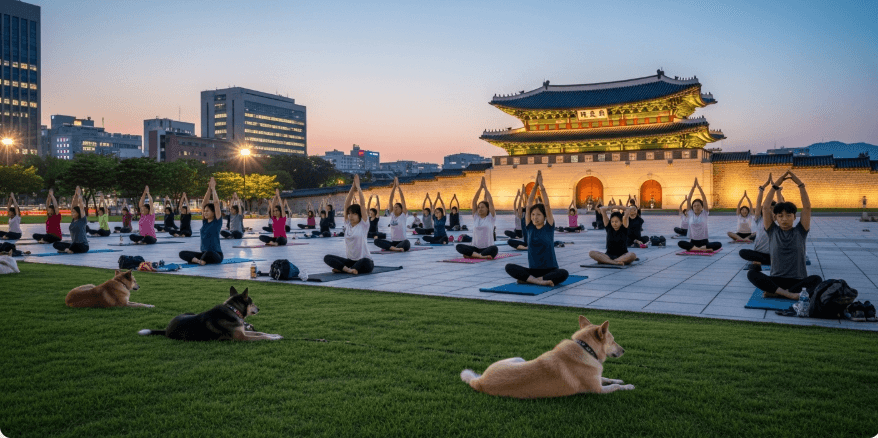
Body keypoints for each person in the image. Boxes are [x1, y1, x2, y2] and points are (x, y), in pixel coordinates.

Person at [747, 171, 822, 299]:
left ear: (794, 217)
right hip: (777, 280)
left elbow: (807, 208)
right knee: (752, 273)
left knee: (817, 279)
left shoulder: (801, 231)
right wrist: (775, 185)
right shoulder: (772, 231)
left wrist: (800, 184)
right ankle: (788, 294)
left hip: (797, 280)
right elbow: (765, 208)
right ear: (775, 217)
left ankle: (778, 293)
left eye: (788, 215)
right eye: (780, 216)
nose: (784, 219)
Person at [504, 171, 569, 286]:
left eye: (538, 215)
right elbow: (528, 205)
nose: (535, 217)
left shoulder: (549, 227)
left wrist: (541, 186)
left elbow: (547, 205)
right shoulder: (530, 227)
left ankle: (532, 280)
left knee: (563, 273)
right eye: (533, 215)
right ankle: (538, 281)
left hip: (551, 270)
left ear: (544, 216)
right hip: (533, 270)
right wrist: (535, 186)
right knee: (509, 267)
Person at [323, 175, 374, 275]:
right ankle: (348, 269)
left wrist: (358, 187)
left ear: (359, 215)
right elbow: (346, 205)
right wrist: (352, 187)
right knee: (327, 257)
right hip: (350, 261)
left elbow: (362, 205)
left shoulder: (363, 225)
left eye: (354, 214)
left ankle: (344, 269)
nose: (351, 216)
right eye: (349, 214)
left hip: (363, 261)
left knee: (366, 262)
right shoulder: (347, 224)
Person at [177, 178, 224, 265]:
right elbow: (204, 203)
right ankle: (199, 261)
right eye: (204, 211)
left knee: (209, 253)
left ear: (214, 212)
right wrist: (209, 188)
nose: (205, 213)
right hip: (204, 253)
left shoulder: (217, 222)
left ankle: (199, 260)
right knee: (182, 253)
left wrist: (213, 188)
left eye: (207, 211)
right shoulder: (205, 222)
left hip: (216, 254)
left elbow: (216, 203)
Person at [740, 174, 783, 266]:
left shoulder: (778, 221)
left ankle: (762, 261)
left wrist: (777, 190)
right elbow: (758, 203)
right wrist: (762, 189)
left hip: (773, 255)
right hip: (759, 253)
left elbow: (781, 205)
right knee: (742, 252)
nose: (770, 210)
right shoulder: (759, 219)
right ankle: (762, 261)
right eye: (768, 208)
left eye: (772, 208)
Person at [456, 177, 499, 259]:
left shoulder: (491, 217)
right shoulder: (476, 217)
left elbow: (490, 201)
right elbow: (474, 201)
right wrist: (480, 188)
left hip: (487, 248)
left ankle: (474, 255)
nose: (480, 209)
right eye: (479, 207)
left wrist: (485, 187)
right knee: (458, 246)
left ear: (487, 209)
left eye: (482, 207)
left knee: (494, 249)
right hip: (475, 248)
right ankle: (480, 256)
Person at [677, 178, 722, 252]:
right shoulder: (690, 214)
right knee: (680, 243)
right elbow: (689, 200)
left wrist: (699, 187)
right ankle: (701, 249)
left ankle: (697, 249)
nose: (696, 207)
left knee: (719, 244)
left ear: (702, 207)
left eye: (698, 205)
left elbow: (704, 199)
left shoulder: (704, 213)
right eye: (694, 206)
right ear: (692, 207)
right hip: (693, 242)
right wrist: (693, 187)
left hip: (704, 241)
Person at [374, 177, 412, 252]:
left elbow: (403, 200)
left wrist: (399, 187)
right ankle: (394, 248)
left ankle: (394, 248)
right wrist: (394, 187)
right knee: (376, 241)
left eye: (397, 207)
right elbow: (390, 200)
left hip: (402, 242)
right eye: (394, 207)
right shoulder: (392, 215)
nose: (395, 208)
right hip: (393, 242)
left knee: (407, 243)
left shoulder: (403, 215)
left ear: (401, 209)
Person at [53, 186, 89, 254]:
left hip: (83, 245)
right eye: (72, 212)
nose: (72, 213)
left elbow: (81, 207)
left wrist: (79, 196)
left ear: (78, 213)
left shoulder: (82, 220)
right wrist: (75, 194)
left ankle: (69, 250)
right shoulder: (73, 221)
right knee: (56, 244)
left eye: (74, 212)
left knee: (75, 244)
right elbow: (73, 205)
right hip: (74, 244)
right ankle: (69, 250)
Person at [508, 185, 529, 250]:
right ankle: (516, 237)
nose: (520, 209)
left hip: (521, 233)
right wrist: (518, 195)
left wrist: (523, 193)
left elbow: (525, 203)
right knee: (507, 234)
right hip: (517, 231)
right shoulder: (518, 214)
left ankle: (518, 238)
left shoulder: (524, 216)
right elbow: (515, 204)